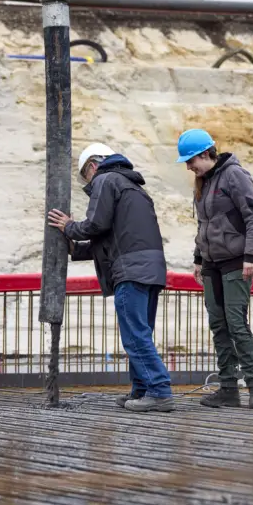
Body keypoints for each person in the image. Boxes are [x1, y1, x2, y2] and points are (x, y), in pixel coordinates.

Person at [47, 142, 175, 413]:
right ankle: (141, 390)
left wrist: (69, 227)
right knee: (142, 333)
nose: (89, 182)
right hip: (151, 269)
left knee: (134, 335)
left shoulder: (106, 179)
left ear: (93, 165)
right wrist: (77, 249)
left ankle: (160, 391)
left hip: (130, 271)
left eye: (86, 176)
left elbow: (96, 225)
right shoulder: (135, 188)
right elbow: (112, 238)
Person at [176, 129, 253, 409]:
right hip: (211, 265)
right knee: (219, 325)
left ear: (206, 154)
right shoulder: (201, 183)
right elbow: (204, 225)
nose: (188, 166)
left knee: (236, 323)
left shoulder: (235, 175)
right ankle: (228, 388)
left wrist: (250, 256)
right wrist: (198, 258)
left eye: (190, 160)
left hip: (235, 263)